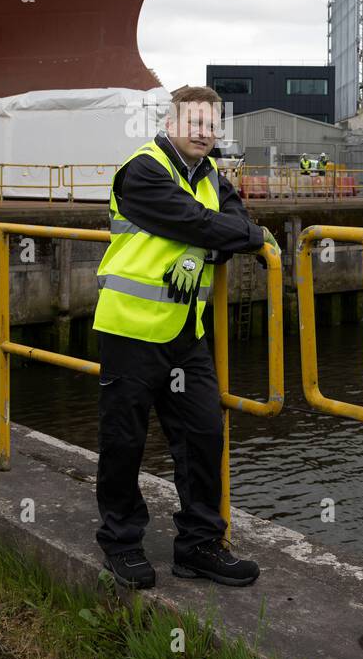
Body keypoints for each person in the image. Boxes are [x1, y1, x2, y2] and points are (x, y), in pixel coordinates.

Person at [93, 85, 280, 590]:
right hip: (129, 330)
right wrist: (231, 239)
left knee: (203, 436)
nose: (204, 133)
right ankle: (121, 541)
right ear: (172, 122)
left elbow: (233, 222)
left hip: (184, 335)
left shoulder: (213, 176)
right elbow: (196, 221)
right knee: (124, 441)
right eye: (194, 123)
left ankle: (198, 546)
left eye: (211, 124)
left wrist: (205, 252)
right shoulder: (144, 169)